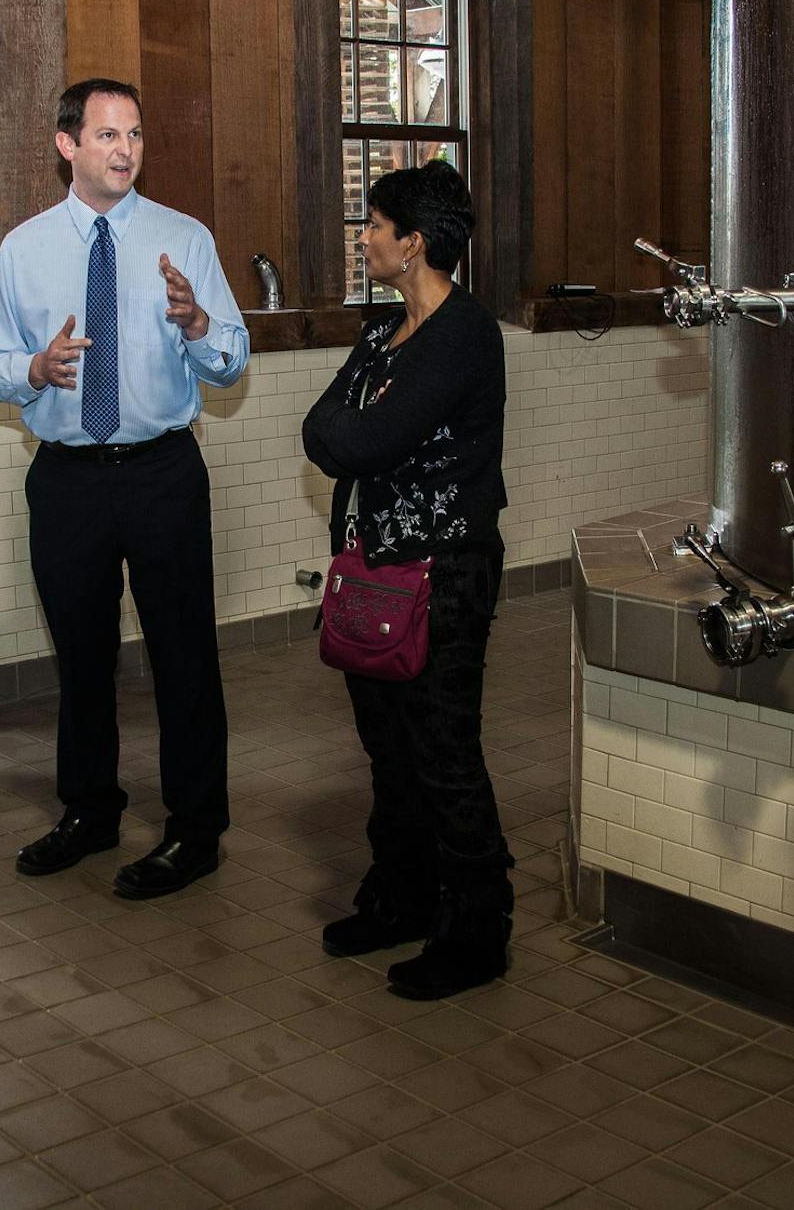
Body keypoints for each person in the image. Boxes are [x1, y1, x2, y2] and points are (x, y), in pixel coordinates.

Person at [0, 78, 249, 898]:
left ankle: (196, 831)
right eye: (106, 135)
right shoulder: (24, 248)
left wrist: (198, 326)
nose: (124, 149)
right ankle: (89, 812)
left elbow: (232, 356)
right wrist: (32, 368)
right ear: (68, 146)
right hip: (67, 481)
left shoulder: (183, 237)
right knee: (82, 659)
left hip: (161, 472)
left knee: (184, 660)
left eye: (134, 133)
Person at [301, 159, 514, 1000]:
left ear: (413, 242)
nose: (365, 238)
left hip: (445, 574)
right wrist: (344, 434)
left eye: (375, 226)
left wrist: (347, 435)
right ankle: (401, 897)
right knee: (388, 750)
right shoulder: (382, 331)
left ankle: (476, 930)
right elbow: (323, 427)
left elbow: (358, 442)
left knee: (443, 753)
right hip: (374, 572)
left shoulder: (462, 333)